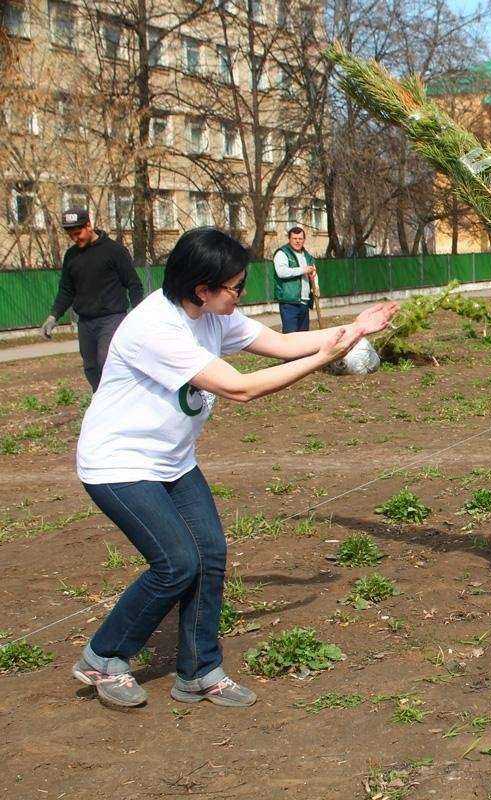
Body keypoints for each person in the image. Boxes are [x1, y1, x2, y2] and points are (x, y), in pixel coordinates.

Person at [72, 227, 396, 708]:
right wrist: (326, 358)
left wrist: (354, 330)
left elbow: (286, 344)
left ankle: (199, 672)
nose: (240, 295)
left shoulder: (212, 316)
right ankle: (103, 658)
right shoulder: (155, 330)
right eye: (235, 287)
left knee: (209, 556)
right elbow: (242, 388)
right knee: (176, 563)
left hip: (173, 462)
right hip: (118, 464)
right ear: (202, 288)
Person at [42, 208, 144, 391]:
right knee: (91, 368)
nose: (75, 238)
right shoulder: (71, 256)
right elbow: (66, 290)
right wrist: (53, 317)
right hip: (86, 323)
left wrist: (137, 316)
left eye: (78, 233)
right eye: (71, 235)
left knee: (107, 363)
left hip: (112, 319)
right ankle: (101, 401)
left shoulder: (114, 251)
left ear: (89, 225)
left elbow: (134, 284)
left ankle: (116, 402)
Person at [273, 225, 319, 333]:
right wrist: (303, 270)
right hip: (289, 302)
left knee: (303, 336)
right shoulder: (282, 253)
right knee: (291, 336)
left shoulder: (307, 256)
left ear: (304, 240)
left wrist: (316, 286)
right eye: (294, 239)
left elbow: (313, 272)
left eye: (300, 239)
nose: (297, 241)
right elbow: (282, 272)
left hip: (304, 302)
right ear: (289, 239)